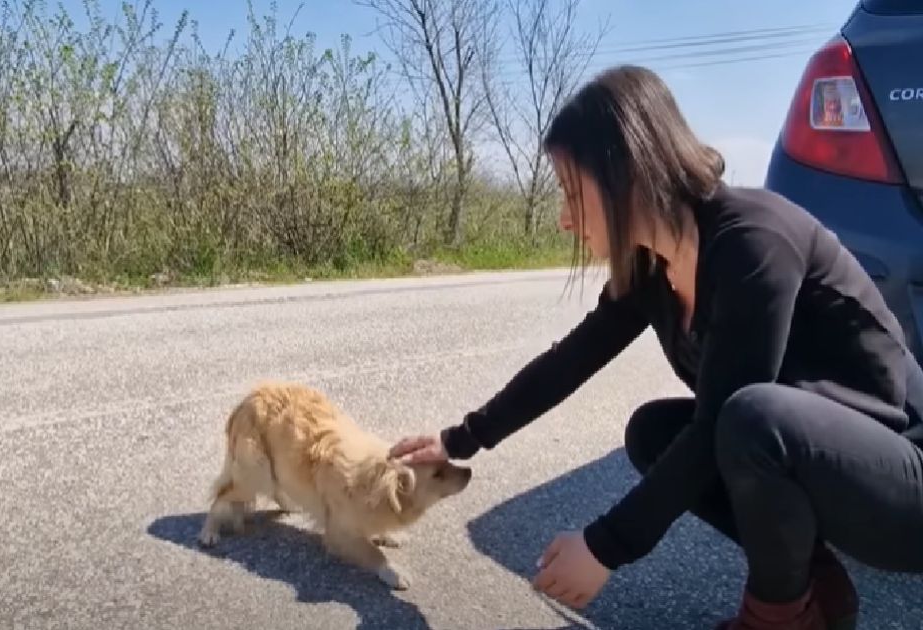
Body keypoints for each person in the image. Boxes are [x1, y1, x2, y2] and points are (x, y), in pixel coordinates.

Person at [390, 64, 923, 630]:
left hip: (905, 480)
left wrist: (605, 545)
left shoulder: (753, 243)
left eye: (573, 193)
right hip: (828, 469)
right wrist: (460, 439)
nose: (563, 219)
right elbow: (570, 361)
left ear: (627, 175)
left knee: (748, 418)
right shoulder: (652, 266)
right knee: (654, 432)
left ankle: (775, 620)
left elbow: (728, 414)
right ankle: (815, 592)